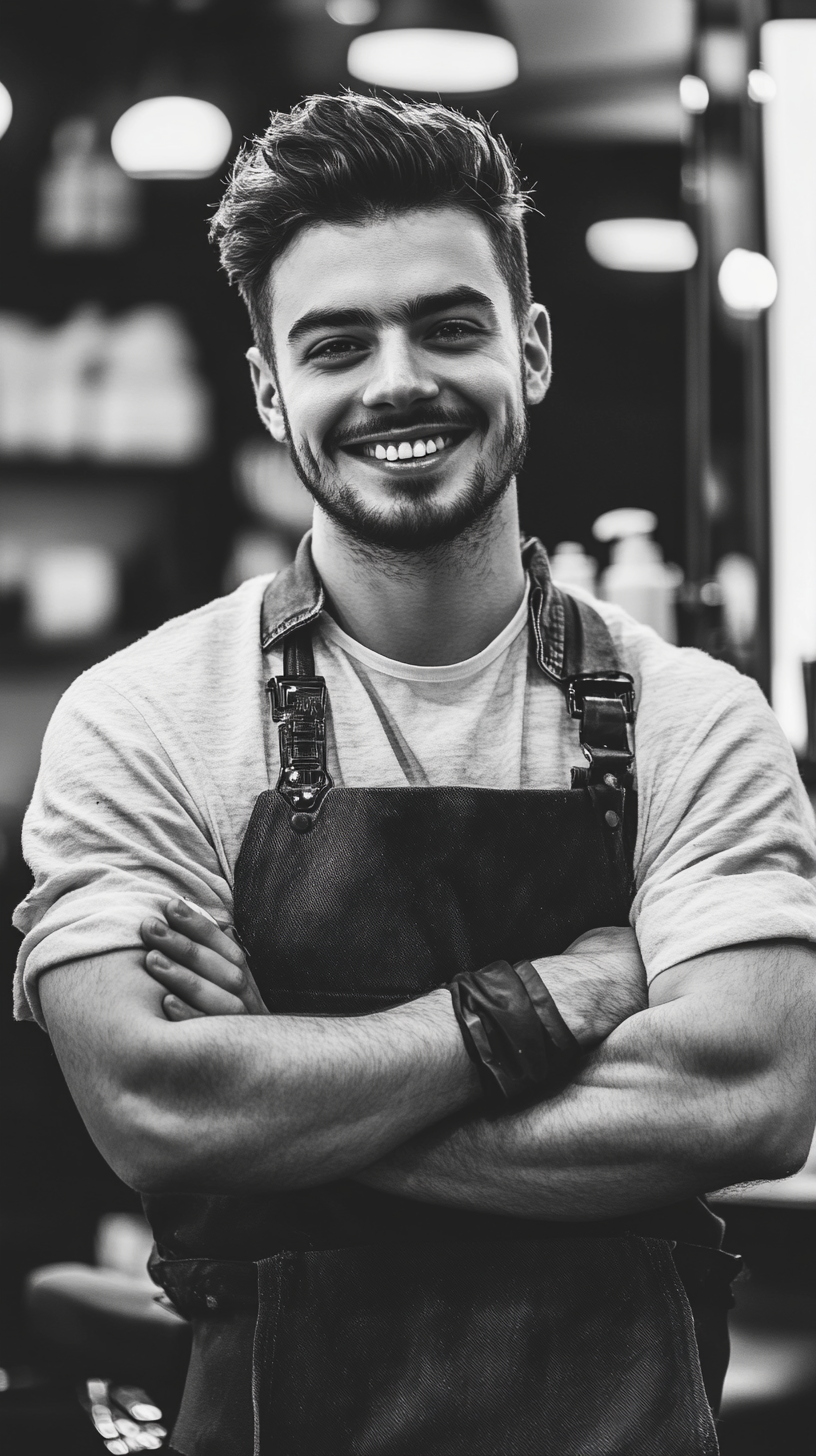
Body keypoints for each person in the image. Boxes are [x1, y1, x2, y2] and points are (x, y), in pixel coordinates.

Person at [13, 92, 816, 1456]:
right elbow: (161, 1108)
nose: (399, 381)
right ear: (272, 390)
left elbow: (746, 1096)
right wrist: (559, 993)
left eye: (449, 327)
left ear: (533, 350)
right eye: (336, 345)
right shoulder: (140, 720)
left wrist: (288, 1093)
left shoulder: (696, 718)